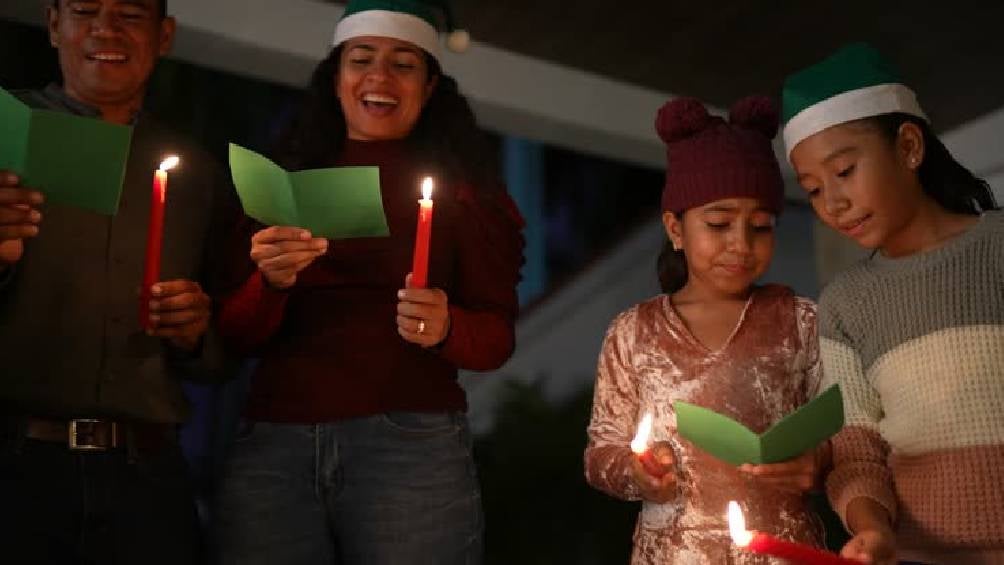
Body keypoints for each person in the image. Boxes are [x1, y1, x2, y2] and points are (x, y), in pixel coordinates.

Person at [211, 1, 524, 563]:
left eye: (404, 64)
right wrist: (271, 285)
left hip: (411, 445)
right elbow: (233, 335)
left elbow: (497, 336)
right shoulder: (278, 185)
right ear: (335, 78)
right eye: (362, 59)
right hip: (274, 444)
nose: (379, 78)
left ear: (429, 88)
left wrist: (448, 326)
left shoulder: (465, 193)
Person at [0, 0, 238, 563]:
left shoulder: (195, 172)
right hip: (13, 468)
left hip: (146, 480)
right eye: (85, 10)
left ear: (165, 36)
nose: (106, 29)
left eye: (130, 15)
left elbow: (222, 355)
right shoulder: (6, 136)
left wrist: (195, 331)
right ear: (54, 23)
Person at [782, 43, 1003, 565]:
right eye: (812, 189)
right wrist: (872, 530)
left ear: (907, 147)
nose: (832, 203)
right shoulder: (844, 306)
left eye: (844, 172)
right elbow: (856, 451)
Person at [584, 95, 829, 564]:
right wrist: (637, 475)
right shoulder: (634, 333)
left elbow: (847, 437)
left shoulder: (799, 321)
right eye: (719, 224)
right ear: (675, 228)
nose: (741, 244)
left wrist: (817, 463)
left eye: (760, 226)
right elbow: (601, 453)